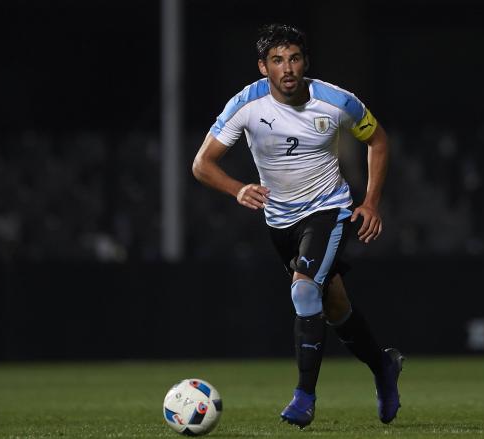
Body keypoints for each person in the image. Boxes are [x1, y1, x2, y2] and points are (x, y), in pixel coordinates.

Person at [192, 23, 404, 428]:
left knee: (304, 289)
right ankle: (383, 366)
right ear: (262, 67)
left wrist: (371, 203)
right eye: (277, 60)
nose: (286, 68)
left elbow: (378, 140)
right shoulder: (246, 105)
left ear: (306, 62)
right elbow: (202, 164)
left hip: (329, 210)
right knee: (335, 305)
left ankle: (304, 397)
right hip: (280, 223)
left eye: (293, 58)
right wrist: (237, 190)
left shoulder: (336, 101)